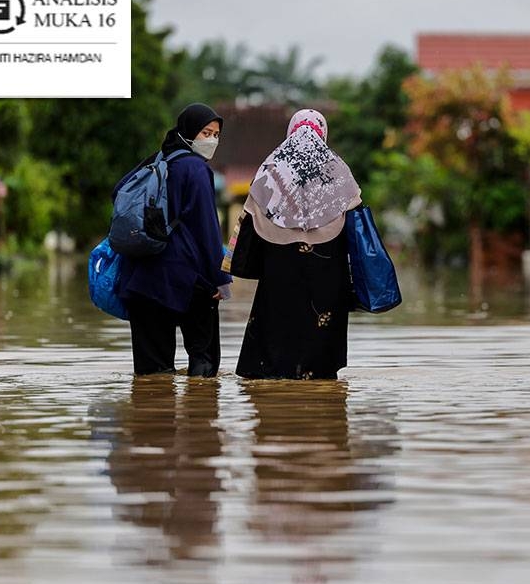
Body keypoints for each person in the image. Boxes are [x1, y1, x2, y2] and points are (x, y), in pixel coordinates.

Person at [229, 109, 361, 380]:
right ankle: (319, 386)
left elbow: (247, 226)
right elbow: (356, 229)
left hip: (279, 276)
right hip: (327, 279)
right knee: (321, 350)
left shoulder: (269, 171)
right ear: (323, 134)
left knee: (278, 338)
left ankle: (275, 392)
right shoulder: (339, 174)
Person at [114, 103, 232, 377]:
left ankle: (152, 417)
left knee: (152, 376)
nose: (212, 140)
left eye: (216, 134)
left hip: (141, 279)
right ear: (189, 133)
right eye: (206, 132)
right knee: (204, 368)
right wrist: (219, 278)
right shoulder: (196, 169)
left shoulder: (155, 162)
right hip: (188, 279)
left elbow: (119, 195)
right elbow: (207, 229)